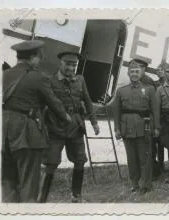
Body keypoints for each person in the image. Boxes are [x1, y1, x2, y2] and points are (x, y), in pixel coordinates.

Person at [2, 40, 71, 202]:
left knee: (6, 179)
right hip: (26, 134)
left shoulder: (4, 75)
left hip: (2, 133)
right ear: (32, 58)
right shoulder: (38, 77)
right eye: (38, 58)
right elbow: (55, 104)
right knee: (29, 181)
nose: (39, 61)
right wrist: (67, 118)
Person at [39, 51, 100, 203]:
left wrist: (94, 122)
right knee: (51, 163)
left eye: (74, 65)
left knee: (80, 160)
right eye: (68, 64)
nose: (71, 68)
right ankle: (41, 199)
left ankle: (76, 195)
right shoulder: (50, 80)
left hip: (75, 127)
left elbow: (87, 101)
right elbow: (42, 105)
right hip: (55, 128)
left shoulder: (80, 80)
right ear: (60, 63)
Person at [113, 58, 160, 194]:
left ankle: (146, 184)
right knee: (131, 158)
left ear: (141, 73)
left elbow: (155, 110)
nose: (134, 74)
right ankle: (134, 183)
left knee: (145, 157)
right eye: (132, 71)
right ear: (128, 73)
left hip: (143, 127)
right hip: (127, 129)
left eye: (137, 71)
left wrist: (156, 127)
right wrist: (117, 128)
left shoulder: (149, 89)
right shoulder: (121, 91)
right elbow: (116, 112)